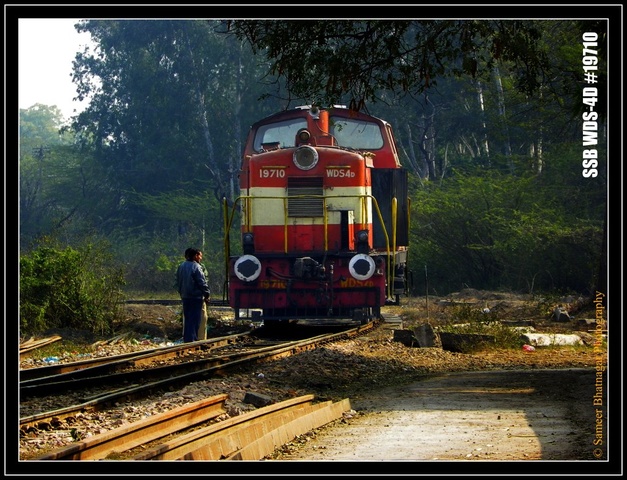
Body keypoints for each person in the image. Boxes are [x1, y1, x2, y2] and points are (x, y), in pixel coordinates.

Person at [175, 248, 210, 342]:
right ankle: (192, 340)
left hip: (185, 297)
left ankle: (187, 339)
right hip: (196, 297)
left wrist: (181, 293)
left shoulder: (181, 266)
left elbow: (178, 281)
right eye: (200, 256)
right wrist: (207, 294)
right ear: (195, 256)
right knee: (195, 320)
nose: (200, 258)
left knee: (188, 319)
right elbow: (201, 282)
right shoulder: (196, 267)